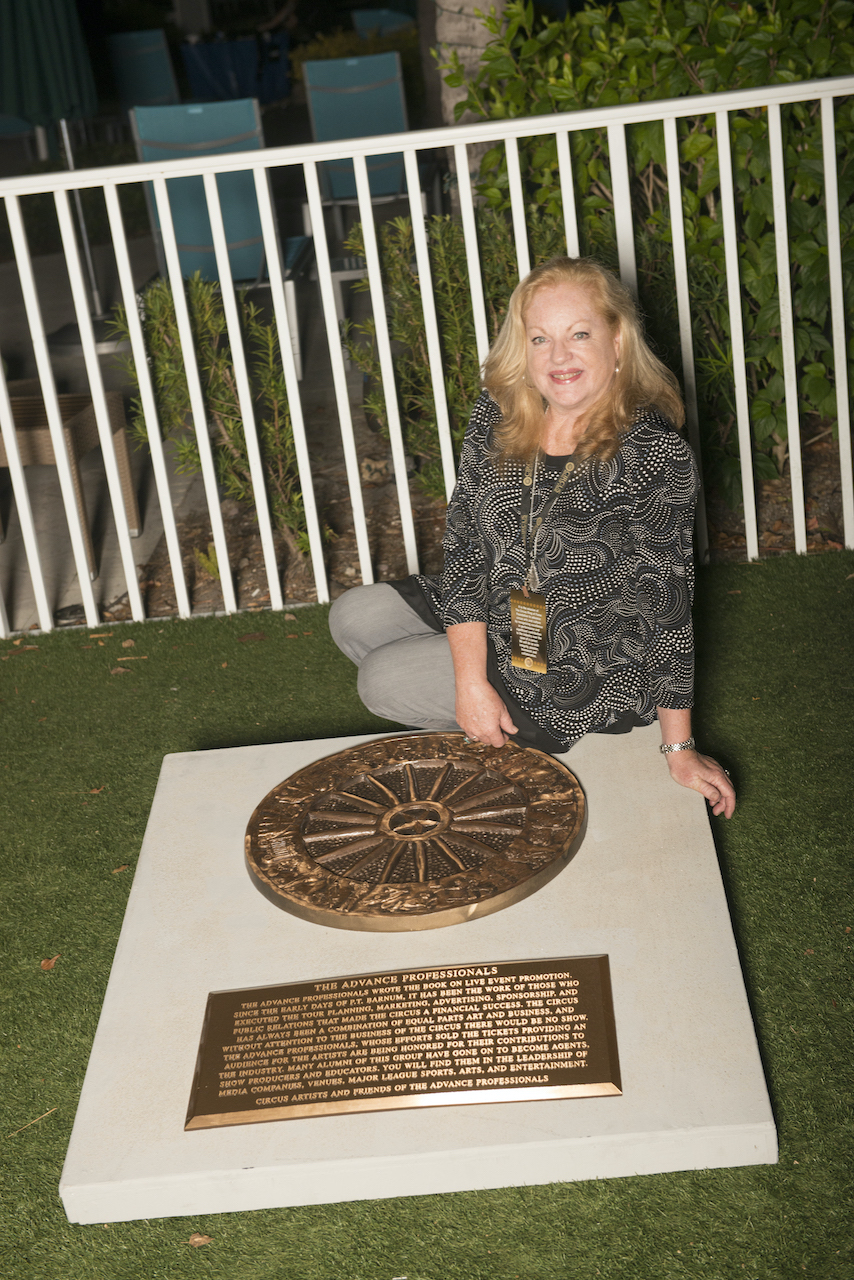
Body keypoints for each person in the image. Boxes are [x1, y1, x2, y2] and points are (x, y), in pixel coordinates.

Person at [330, 256, 735, 819]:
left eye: (580, 335)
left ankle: (519, 732)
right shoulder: (497, 413)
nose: (559, 356)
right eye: (540, 338)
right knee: (355, 615)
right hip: (508, 605)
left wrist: (679, 747)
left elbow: (666, 611)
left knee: (384, 679)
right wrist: (470, 679)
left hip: (583, 658)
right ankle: (481, 711)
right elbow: (467, 544)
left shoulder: (652, 455)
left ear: (617, 342)